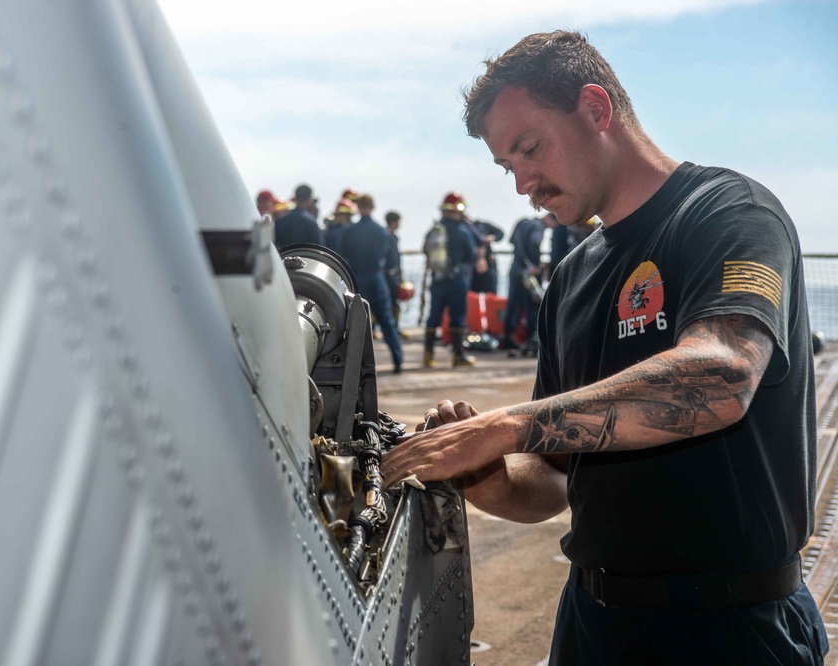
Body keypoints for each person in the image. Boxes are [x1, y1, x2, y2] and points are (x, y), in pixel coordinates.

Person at [382, 30, 826, 665]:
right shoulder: (571, 277)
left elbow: (722, 377)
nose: (521, 185)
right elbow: (556, 480)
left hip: (731, 628)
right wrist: (484, 474)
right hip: (593, 625)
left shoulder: (730, 215)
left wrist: (504, 426)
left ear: (596, 108)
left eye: (528, 149)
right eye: (507, 167)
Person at [341, 194, 404, 373]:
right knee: (386, 321)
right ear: (373, 207)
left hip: (358, 279)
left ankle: (354, 366)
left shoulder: (349, 231)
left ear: (358, 207)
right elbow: (392, 259)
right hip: (377, 278)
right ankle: (398, 359)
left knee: (355, 323)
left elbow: (344, 254)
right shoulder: (382, 232)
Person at [422, 192, 477, 368]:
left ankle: (428, 355)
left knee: (433, 316)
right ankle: (458, 355)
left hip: (438, 280)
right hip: (457, 280)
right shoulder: (462, 230)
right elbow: (471, 254)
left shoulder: (434, 229)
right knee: (457, 317)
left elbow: (425, 250)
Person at [501, 213, 557, 354]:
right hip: (528, 274)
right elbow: (534, 243)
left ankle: (508, 337)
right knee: (532, 305)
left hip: (515, 270)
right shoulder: (538, 227)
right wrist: (536, 265)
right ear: (550, 219)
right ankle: (532, 341)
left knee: (513, 304)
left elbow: (512, 241)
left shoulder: (523, 222)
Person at [274, 183, 322, 248]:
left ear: (296, 197)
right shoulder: (311, 222)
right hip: (305, 257)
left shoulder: (280, 220)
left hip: (283, 257)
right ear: (309, 198)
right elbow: (318, 248)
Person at [383, 210, 407, 337]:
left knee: (394, 301)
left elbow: (396, 258)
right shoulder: (384, 236)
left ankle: (394, 327)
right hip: (386, 274)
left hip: (394, 274)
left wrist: (400, 273)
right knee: (385, 301)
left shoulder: (395, 237)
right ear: (394, 222)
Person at [468, 217, 506, 294]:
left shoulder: (483, 225)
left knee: (491, 292)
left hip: (488, 263)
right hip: (471, 266)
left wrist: (492, 237)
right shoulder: (463, 230)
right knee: (471, 294)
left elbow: (500, 233)